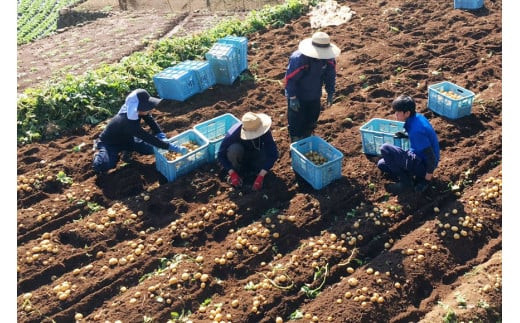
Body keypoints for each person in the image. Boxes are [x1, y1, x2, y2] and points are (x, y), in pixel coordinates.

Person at [92, 88, 187, 174]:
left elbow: (149, 120)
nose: (149, 109)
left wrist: (160, 134)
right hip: (110, 143)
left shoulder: (135, 110)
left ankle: (126, 150)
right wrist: (169, 146)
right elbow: (147, 137)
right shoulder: (127, 121)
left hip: (129, 139)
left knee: (151, 149)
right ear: (137, 108)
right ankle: (98, 153)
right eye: (146, 106)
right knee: (104, 165)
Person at [377, 94, 440, 194]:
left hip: (422, 165)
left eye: (398, 112)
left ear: (407, 113)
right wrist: (405, 134)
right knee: (382, 164)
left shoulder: (416, 131)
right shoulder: (417, 117)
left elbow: (431, 157)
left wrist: (426, 181)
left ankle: (405, 183)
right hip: (417, 158)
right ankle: (408, 175)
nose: (395, 114)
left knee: (385, 149)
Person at [284, 31, 341, 142]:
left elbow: (330, 76)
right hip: (298, 94)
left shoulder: (328, 60)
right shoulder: (299, 59)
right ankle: (295, 138)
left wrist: (330, 92)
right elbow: (290, 79)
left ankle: (307, 135)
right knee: (296, 118)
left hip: (314, 93)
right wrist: (292, 97)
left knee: (313, 115)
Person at [217, 112, 279, 191]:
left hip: (255, 153)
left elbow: (273, 153)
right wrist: (232, 172)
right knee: (234, 149)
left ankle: (255, 171)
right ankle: (238, 172)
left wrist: (261, 175)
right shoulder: (233, 134)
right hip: (240, 155)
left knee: (265, 153)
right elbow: (220, 155)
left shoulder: (264, 129)